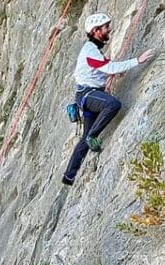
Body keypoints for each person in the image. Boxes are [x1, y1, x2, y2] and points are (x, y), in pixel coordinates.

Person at [61, 13, 155, 185]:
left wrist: (113, 73)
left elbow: (101, 69)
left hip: (88, 96)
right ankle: (93, 136)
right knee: (112, 104)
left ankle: (69, 176)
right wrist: (137, 61)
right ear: (96, 31)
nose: (109, 29)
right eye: (106, 27)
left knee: (83, 139)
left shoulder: (93, 51)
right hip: (88, 96)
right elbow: (108, 67)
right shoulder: (90, 51)